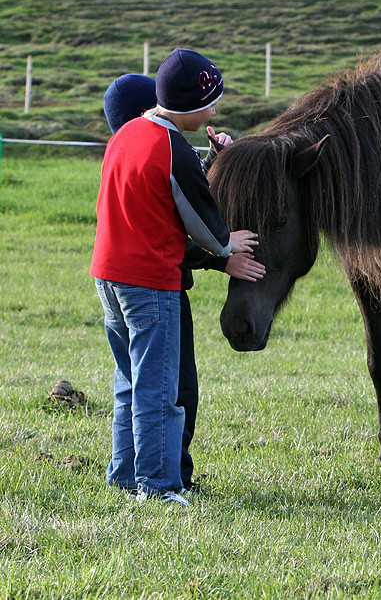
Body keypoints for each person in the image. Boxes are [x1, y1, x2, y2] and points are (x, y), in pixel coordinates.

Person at [91, 49, 259, 506]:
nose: (214, 111)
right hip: (150, 283)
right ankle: (159, 485)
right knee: (159, 388)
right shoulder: (172, 148)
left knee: (129, 380)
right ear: (189, 105)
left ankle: (124, 474)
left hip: (109, 277)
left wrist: (204, 162)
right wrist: (228, 245)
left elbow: (162, 196)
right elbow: (202, 225)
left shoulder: (127, 134)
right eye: (211, 102)